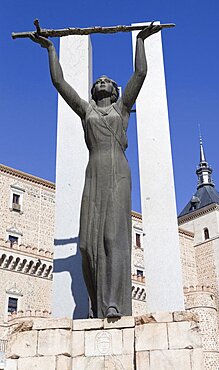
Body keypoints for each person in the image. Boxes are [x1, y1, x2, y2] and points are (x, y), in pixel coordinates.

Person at [30, 23, 161, 318]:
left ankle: (114, 303)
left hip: (118, 173)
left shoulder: (122, 109)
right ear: (93, 90)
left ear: (114, 91)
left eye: (106, 81)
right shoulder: (87, 111)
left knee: (113, 238)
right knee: (88, 244)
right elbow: (60, 83)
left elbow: (140, 74)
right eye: (98, 80)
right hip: (94, 173)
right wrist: (50, 49)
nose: (101, 81)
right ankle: (97, 304)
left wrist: (140, 40)